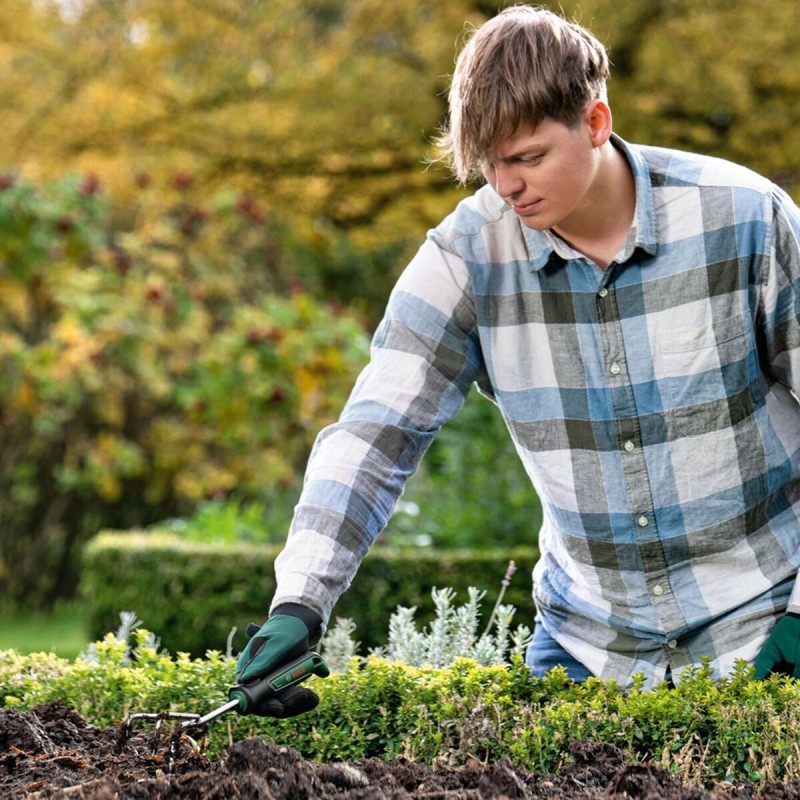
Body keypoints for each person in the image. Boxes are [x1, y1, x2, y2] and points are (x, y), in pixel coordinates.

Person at [235, 4, 800, 714]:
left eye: (528, 158)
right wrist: (300, 601)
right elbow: (374, 434)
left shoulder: (745, 220)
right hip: (589, 648)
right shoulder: (467, 256)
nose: (505, 186)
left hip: (766, 621)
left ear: (595, 122)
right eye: (488, 163)